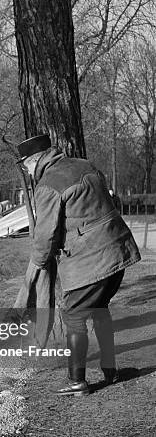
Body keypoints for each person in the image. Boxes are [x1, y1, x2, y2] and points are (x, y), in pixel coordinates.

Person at [17, 133, 141, 396]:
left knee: (74, 316)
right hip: (119, 249)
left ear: (35, 160)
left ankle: (78, 382)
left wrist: (37, 267)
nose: (25, 170)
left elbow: (45, 235)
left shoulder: (48, 184)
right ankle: (111, 371)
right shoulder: (86, 165)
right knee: (100, 309)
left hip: (91, 259)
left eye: (24, 164)